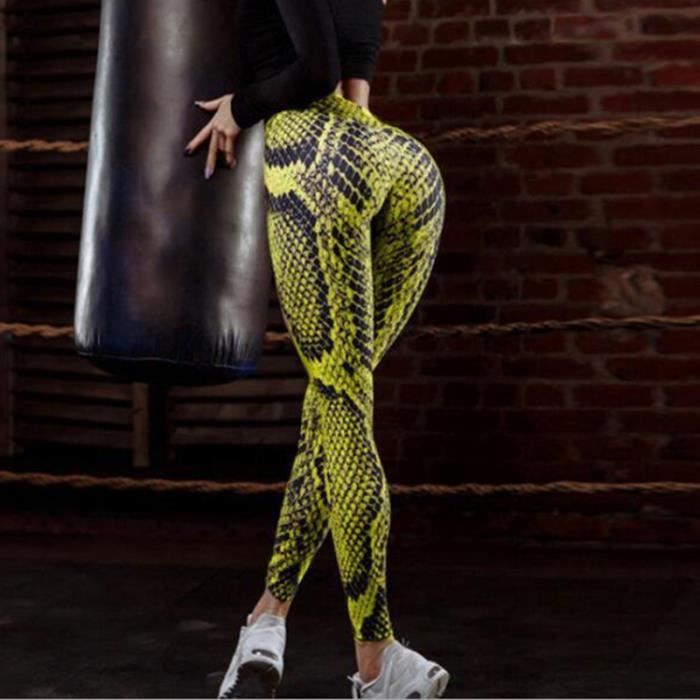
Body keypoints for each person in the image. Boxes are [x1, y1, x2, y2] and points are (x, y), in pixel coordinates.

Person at [185, 0, 449, 697]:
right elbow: (356, 83)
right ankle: (267, 619)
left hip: (316, 156)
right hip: (401, 163)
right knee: (340, 398)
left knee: (343, 402)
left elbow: (316, 72)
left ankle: (376, 657)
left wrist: (239, 108)